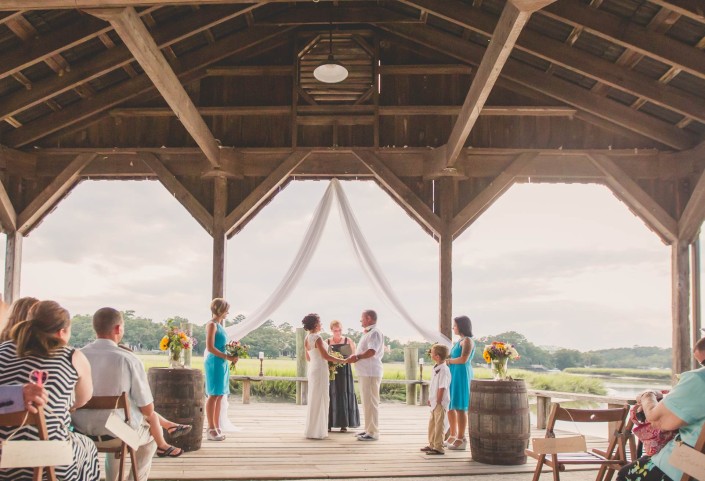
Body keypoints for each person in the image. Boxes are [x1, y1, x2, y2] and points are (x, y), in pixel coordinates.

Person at [72, 307, 189, 473]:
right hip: (116, 436)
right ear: (118, 328)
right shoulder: (129, 359)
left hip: (79, 432)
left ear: (95, 328)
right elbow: (148, 409)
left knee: (120, 421)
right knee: (149, 435)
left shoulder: (76, 356)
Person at [0, 300, 100, 481]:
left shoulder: (2, 350)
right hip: (53, 463)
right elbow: (83, 399)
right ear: (62, 332)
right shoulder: (72, 356)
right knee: (87, 445)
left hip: (4, 460)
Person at [617, 337, 705, 481]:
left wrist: (648, 395)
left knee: (626, 473)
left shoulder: (700, 379)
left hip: (694, 469)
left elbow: (657, 420)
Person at [302, 313, 346, 439]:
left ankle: (312, 430)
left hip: (313, 369)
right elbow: (325, 356)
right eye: (320, 322)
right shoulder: (318, 338)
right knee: (321, 398)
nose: (321, 324)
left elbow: (308, 358)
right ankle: (318, 431)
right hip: (321, 370)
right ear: (315, 324)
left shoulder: (307, 338)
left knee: (314, 398)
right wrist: (342, 361)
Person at [348, 309, 385, 441]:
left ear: (369, 318)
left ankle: (373, 432)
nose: (360, 321)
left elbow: (371, 351)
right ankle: (368, 429)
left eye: (362, 318)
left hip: (370, 372)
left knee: (371, 402)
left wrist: (357, 356)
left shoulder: (374, 332)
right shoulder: (369, 332)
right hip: (365, 373)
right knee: (366, 402)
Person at [204, 298, 238, 442]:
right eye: (226, 310)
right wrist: (227, 356)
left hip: (222, 363)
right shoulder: (212, 325)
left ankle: (217, 426)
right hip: (214, 363)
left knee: (219, 395)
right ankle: (211, 428)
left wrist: (232, 350)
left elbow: (220, 343)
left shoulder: (220, 326)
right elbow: (210, 347)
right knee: (213, 395)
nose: (228, 313)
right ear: (220, 310)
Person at [445, 315, 475, 450]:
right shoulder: (458, 341)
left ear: (462, 326)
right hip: (453, 373)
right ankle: (452, 434)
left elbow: (464, 359)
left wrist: (449, 361)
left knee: (460, 407)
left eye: (455, 325)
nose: (453, 328)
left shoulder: (467, 341)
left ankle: (461, 438)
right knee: (450, 406)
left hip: (461, 374)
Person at [328, 319, 360, 433]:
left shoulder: (348, 340)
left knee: (344, 394)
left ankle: (344, 424)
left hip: (345, 371)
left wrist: (348, 359)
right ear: (331, 330)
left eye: (340, 330)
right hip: (332, 371)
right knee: (331, 395)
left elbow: (354, 356)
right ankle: (329, 423)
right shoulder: (327, 341)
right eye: (336, 330)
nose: (338, 332)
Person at [420, 344, 451, 455]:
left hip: (440, 402)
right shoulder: (436, 367)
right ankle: (431, 443)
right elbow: (434, 385)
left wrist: (438, 400)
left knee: (439, 424)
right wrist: (431, 399)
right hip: (434, 401)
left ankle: (438, 447)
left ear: (437, 356)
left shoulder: (444, 370)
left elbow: (442, 387)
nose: (430, 354)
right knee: (432, 423)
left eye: (432, 352)